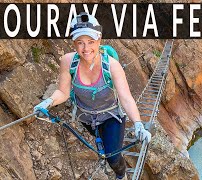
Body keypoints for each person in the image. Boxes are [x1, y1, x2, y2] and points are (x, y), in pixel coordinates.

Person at [33, 12, 151, 180]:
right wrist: (48, 103)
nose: (86, 48)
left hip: (111, 116)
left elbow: (126, 98)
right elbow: (63, 92)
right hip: (86, 117)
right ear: (74, 43)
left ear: (99, 40)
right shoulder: (68, 61)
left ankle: (121, 175)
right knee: (104, 144)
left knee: (113, 156)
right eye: (80, 43)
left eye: (90, 42)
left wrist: (138, 124)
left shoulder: (111, 66)